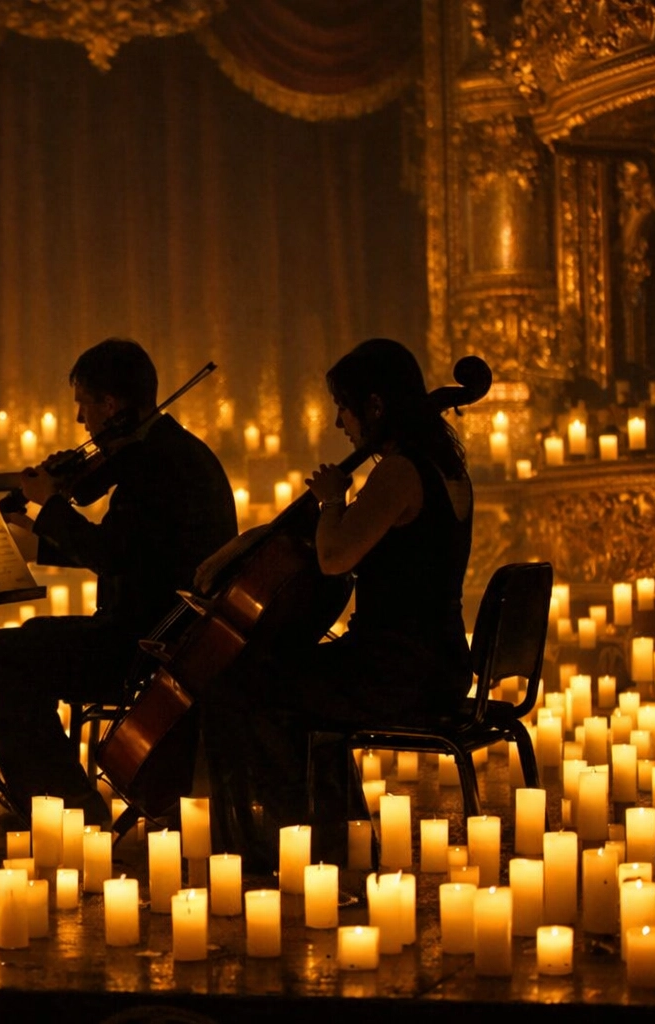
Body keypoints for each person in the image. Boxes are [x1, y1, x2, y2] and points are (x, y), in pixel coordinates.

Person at [194, 337, 473, 868]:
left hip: (396, 670)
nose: (339, 424)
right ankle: (329, 835)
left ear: (374, 406)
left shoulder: (399, 472)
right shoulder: (442, 467)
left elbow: (334, 556)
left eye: (343, 408)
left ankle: (271, 845)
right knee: (276, 680)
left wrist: (330, 500)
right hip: (433, 660)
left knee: (239, 684)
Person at [0, 338, 238, 824]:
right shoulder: (168, 451)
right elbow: (129, 549)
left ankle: (65, 810)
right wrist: (35, 533)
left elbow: (110, 553)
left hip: (148, 645)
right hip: (165, 633)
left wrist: (49, 505)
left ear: (110, 405)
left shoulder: (158, 465)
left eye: (83, 404)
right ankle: (58, 797)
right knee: (27, 642)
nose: (79, 422)